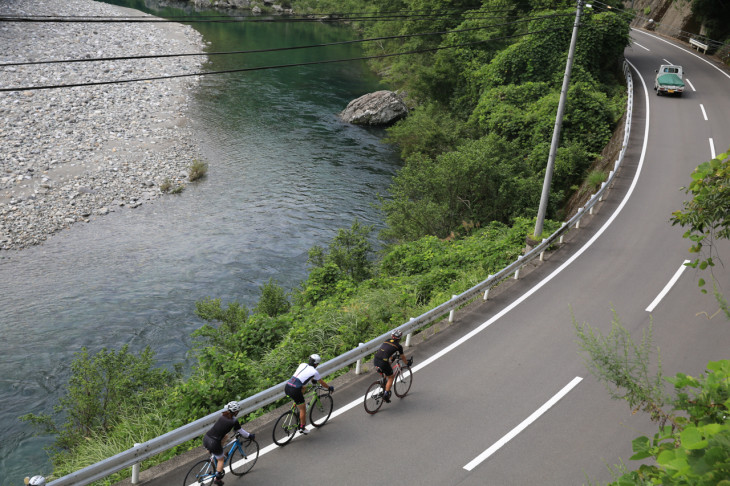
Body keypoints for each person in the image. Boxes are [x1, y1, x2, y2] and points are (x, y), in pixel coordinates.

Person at [203, 401, 254, 486]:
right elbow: (241, 431)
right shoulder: (234, 421)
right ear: (236, 412)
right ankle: (218, 479)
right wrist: (250, 436)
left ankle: (214, 455)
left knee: (226, 436)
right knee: (221, 459)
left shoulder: (222, 415)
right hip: (214, 443)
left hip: (207, 438)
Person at [284, 354, 334, 434]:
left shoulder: (302, 364)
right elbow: (321, 382)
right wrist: (329, 388)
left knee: (303, 388)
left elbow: (304, 376)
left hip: (287, 387)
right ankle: (302, 428)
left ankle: (297, 404)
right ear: (316, 364)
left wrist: (312, 380)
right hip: (295, 390)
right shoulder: (314, 371)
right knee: (302, 408)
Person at [373, 329, 413, 403]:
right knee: (391, 377)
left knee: (387, 367)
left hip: (376, 359)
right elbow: (403, 357)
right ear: (400, 338)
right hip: (383, 362)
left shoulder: (387, 340)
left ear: (392, 336)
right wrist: (407, 363)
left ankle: (383, 384)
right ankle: (386, 394)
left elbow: (387, 351)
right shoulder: (398, 346)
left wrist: (392, 358)